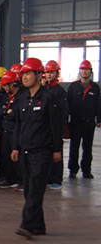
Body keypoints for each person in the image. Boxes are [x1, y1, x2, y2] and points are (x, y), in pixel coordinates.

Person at [12, 58, 63, 239]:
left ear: (38, 75)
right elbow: (18, 125)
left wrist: (57, 149)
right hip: (25, 150)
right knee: (29, 189)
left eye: (28, 73)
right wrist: (15, 147)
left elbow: (56, 126)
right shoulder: (23, 98)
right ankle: (39, 225)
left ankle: (27, 225)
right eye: (23, 74)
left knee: (35, 188)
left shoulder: (49, 98)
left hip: (42, 151)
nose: (24, 77)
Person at [66, 60, 101, 179]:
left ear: (90, 72)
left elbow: (98, 104)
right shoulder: (73, 87)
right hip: (75, 122)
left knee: (87, 147)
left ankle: (86, 170)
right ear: (80, 71)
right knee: (74, 147)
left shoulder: (95, 88)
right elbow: (67, 103)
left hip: (89, 122)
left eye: (87, 69)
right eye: (83, 69)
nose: (85, 71)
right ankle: (73, 170)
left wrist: (99, 119)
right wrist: (66, 119)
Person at [0, 70, 24, 189]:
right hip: (6, 131)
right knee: (6, 156)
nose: (3, 88)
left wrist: (6, 113)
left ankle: (21, 180)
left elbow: (16, 114)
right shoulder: (6, 97)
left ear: (12, 84)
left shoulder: (22, 97)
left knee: (17, 157)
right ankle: (9, 179)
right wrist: (6, 111)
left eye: (5, 85)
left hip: (16, 132)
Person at [45, 60, 68, 189]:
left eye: (51, 72)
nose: (49, 75)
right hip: (45, 127)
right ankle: (48, 177)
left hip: (56, 126)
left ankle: (57, 179)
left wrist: (61, 126)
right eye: (47, 72)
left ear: (56, 73)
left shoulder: (60, 91)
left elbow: (63, 111)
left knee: (57, 151)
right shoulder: (44, 89)